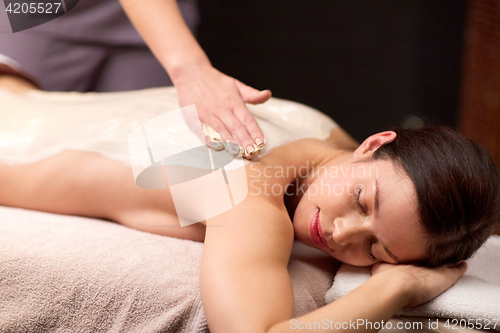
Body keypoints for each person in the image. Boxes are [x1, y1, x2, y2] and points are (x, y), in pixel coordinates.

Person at [0, 73, 499, 332]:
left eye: (375, 252)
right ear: (372, 143)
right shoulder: (247, 199)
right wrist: (396, 288)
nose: (342, 233)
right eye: (361, 202)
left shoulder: (319, 128)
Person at [0, 0, 270, 158]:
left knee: (146, 156)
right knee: (16, 149)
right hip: (42, 12)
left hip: (157, 17)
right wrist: (191, 69)